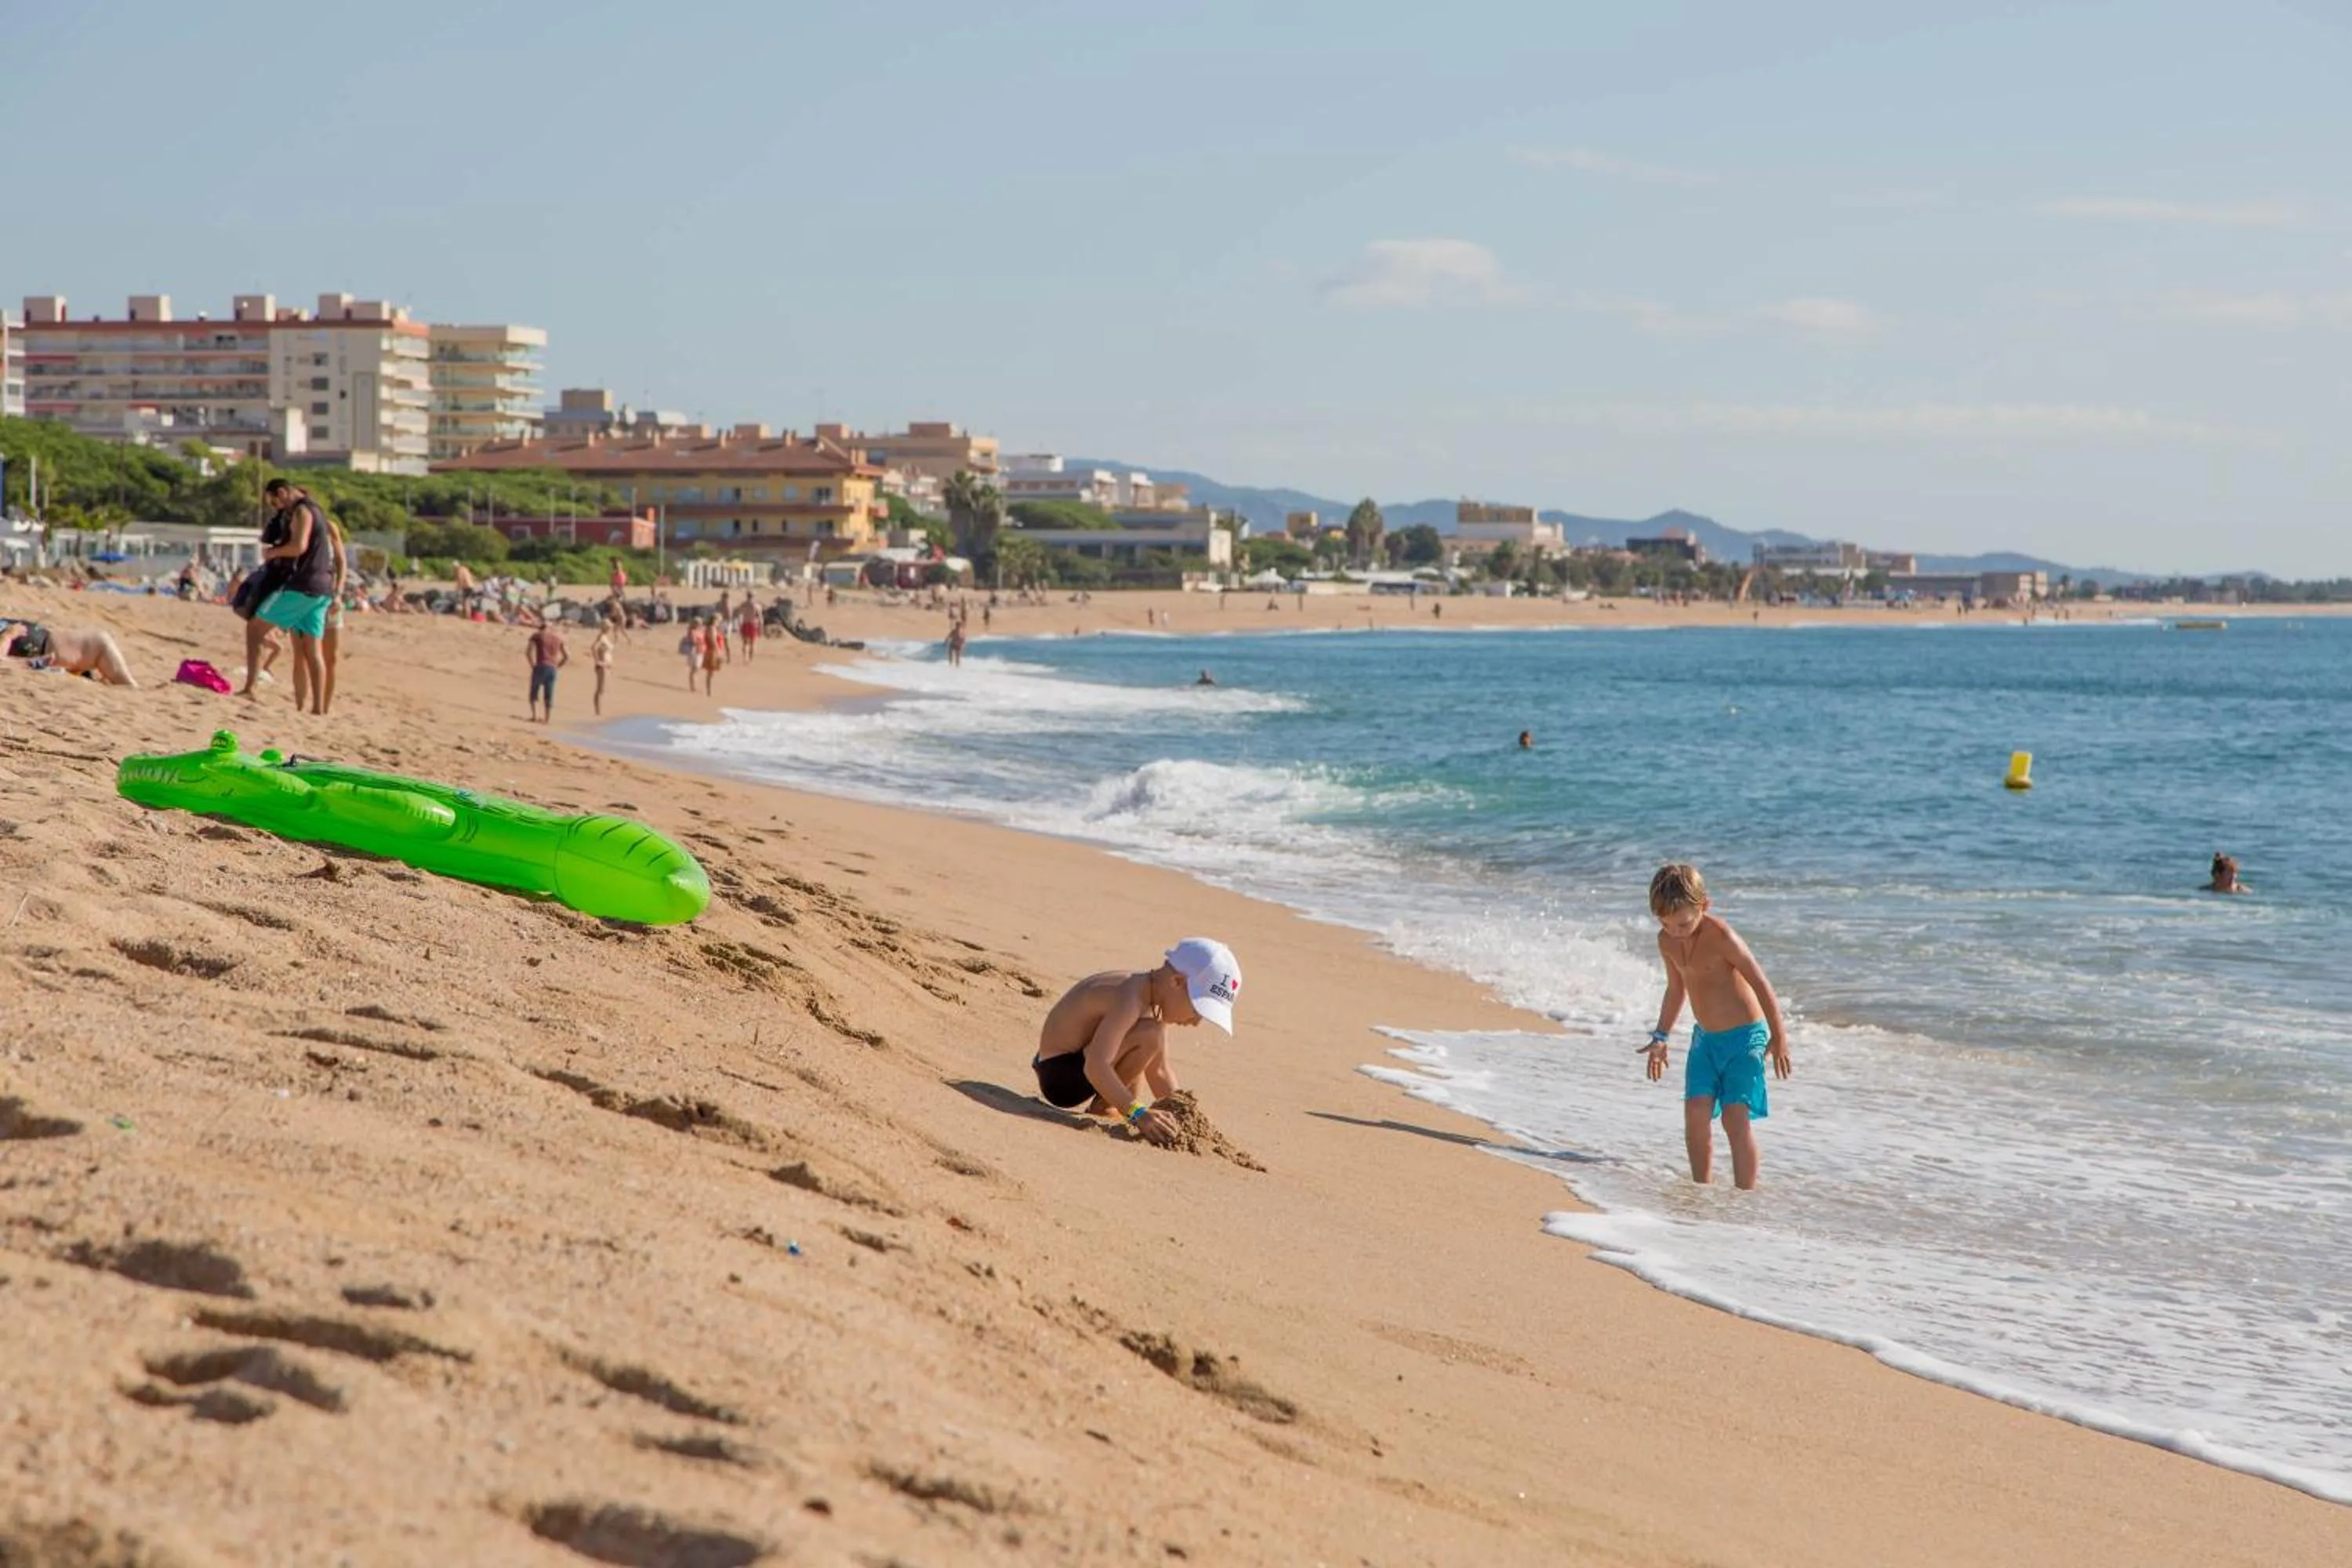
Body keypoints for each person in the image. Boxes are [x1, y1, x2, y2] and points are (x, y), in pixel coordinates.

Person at [1642, 863, 1791, 1190]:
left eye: (1683, 923)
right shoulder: (1667, 941)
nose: (1675, 931)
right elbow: (1676, 989)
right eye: (1665, 923)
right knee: (1695, 1112)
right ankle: (1700, 1189)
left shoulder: (1722, 936)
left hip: (1745, 1038)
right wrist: (1661, 1036)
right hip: (1706, 1041)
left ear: (1704, 906)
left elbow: (1760, 982)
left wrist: (1779, 1036)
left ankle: (1745, 1196)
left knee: (1734, 1117)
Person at [1031, 938, 1242, 1147]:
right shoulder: (1130, 997)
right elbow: (1095, 1064)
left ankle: (1117, 1105)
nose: (1196, 1023)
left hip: (1074, 1064)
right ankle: (1106, 1107)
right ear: (1177, 982)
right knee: (1150, 1034)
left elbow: (1159, 1072)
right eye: (1198, 1010)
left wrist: (1185, 1117)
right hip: (1060, 1077)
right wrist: (1137, 1113)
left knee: (1151, 1035)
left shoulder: (1147, 997)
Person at [248, 479, 336, 714]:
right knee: (312, 651)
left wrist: (273, 552)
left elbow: (299, 546)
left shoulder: (302, 510)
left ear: (283, 492)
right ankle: (317, 710)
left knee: (255, 628)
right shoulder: (316, 510)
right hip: (322, 588)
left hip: (303, 585)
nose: (276, 507)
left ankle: (250, 687)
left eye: (275, 501)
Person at [2, 621, 137, 685]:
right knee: (100, 640)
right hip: (52, 650)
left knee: (100, 640)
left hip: (51, 646)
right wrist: (8, 636)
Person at [318, 509, 350, 716]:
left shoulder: (329, 527)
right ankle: (309, 704)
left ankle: (324, 708)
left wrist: (338, 592)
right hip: (306, 597)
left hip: (330, 598)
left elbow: (341, 562)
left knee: (331, 658)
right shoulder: (293, 529)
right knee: (308, 656)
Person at [525, 620, 569, 723]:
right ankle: (547, 718)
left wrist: (533, 665)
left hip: (540, 665)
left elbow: (528, 652)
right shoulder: (558, 638)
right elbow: (567, 656)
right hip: (552, 667)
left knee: (534, 691)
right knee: (549, 693)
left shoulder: (537, 635)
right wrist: (558, 666)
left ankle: (535, 716)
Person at [591, 622, 615, 716]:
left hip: (606, 665)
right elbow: (593, 648)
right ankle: (598, 712)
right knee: (600, 689)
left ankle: (599, 710)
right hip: (602, 666)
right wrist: (598, 661)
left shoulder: (605, 637)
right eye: (608, 627)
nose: (609, 629)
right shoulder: (601, 637)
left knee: (602, 689)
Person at [700, 614, 726, 695]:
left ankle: (710, 690)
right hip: (712, 651)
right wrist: (718, 651)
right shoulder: (712, 628)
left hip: (714, 651)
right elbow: (713, 640)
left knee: (711, 672)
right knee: (710, 672)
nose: (719, 622)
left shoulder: (715, 628)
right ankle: (709, 690)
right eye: (718, 620)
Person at [739, 598, 760, 663]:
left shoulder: (743, 604)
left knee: (745, 643)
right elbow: (760, 617)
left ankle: (745, 658)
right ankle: (750, 659)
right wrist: (760, 627)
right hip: (753, 623)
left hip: (745, 623)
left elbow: (740, 614)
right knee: (752, 643)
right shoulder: (756, 605)